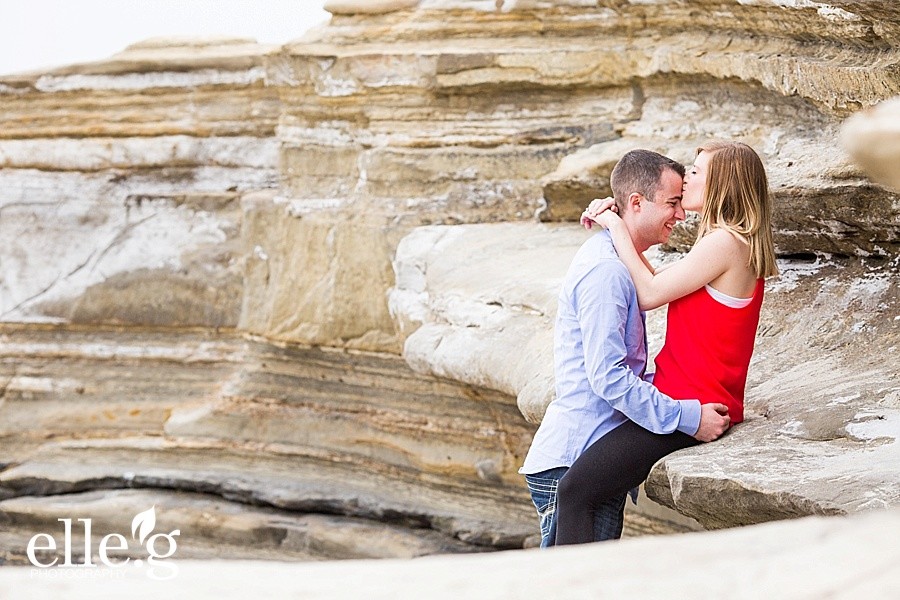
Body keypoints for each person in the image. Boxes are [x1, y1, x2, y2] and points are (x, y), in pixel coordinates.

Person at [554, 140, 778, 545]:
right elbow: (652, 280)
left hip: (694, 406)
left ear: (720, 184)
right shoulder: (723, 242)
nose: (686, 178)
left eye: (695, 172)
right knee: (585, 490)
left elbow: (649, 292)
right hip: (679, 394)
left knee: (574, 493)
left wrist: (618, 226)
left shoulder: (726, 243)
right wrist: (622, 216)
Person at [519, 149, 731, 548]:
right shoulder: (607, 273)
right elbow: (609, 379)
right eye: (672, 203)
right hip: (572, 461)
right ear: (636, 203)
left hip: (584, 454)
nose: (681, 214)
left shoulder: (616, 258)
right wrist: (688, 417)